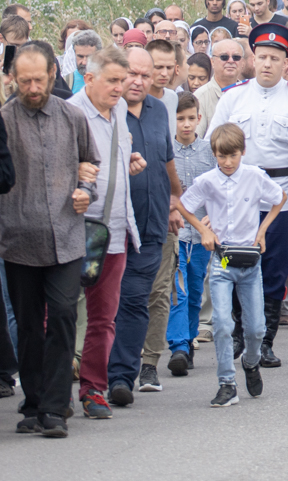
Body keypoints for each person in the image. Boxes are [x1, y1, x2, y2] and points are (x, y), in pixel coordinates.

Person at [0, 42, 99, 436]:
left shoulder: (73, 116)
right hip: (18, 240)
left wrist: (85, 192)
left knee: (61, 316)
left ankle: (56, 407)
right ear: (13, 79)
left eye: (39, 79)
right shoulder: (4, 120)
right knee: (27, 325)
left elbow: (89, 163)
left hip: (66, 237)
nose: (32, 87)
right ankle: (35, 401)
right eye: (24, 81)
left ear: (53, 73)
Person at [205, 24, 288, 369]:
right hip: (236, 194)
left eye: (275, 58)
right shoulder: (234, 96)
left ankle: (265, 340)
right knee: (233, 261)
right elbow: (214, 144)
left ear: (286, 62)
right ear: (253, 59)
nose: (267, 64)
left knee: (273, 266)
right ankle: (238, 334)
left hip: (278, 197)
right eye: (262, 57)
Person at [173, 123, 287, 407]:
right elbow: (184, 205)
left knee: (256, 328)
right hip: (223, 259)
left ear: (242, 152)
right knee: (223, 323)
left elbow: (279, 198)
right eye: (221, 157)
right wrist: (203, 230)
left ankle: (251, 362)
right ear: (214, 155)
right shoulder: (208, 180)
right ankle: (227, 383)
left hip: (249, 260)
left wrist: (262, 232)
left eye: (232, 156)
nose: (227, 162)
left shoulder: (254, 176)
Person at [69, 46, 144, 420]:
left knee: (103, 318)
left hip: (114, 231)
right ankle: (47, 391)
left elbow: (108, 161)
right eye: (113, 80)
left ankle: (92, 390)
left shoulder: (119, 115)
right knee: (59, 314)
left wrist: (127, 161)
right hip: (72, 231)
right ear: (90, 77)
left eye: (123, 80)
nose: (120, 88)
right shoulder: (69, 114)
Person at [106, 46, 178, 407]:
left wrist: (175, 200)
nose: (137, 81)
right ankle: (93, 373)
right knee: (104, 304)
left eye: (144, 75)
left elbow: (166, 162)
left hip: (150, 226)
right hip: (110, 226)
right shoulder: (106, 111)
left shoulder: (159, 110)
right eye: (131, 73)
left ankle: (121, 377)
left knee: (136, 301)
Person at [164, 93, 215, 378]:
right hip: (175, 234)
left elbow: (219, 189)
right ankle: (179, 347)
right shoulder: (164, 150)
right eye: (180, 119)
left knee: (195, 291)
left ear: (199, 118)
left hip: (201, 235)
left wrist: (214, 217)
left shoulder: (208, 151)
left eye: (191, 118)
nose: (186, 125)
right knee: (178, 290)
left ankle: (189, 340)